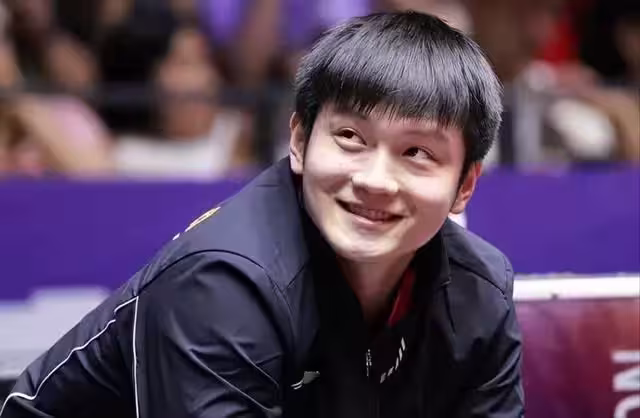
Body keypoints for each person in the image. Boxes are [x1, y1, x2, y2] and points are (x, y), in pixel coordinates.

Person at [1, 11, 524, 417]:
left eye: (417, 153)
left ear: (465, 185)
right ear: (299, 140)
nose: (374, 180)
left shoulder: (479, 289)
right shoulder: (221, 283)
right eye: (350, 137)